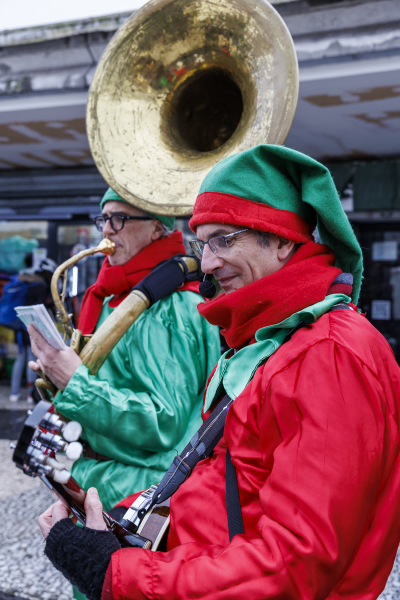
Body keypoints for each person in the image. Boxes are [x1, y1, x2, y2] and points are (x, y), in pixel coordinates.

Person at [37, 146, 400, 600]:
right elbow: (215, 478)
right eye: (203, 243)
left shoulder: (326, 353)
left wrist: (123, 575)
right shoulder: (268, 339)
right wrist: (117, 525)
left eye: (224, 239)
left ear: (283, 239)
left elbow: (297, 565)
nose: (207, 263)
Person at [28, 187, 221, 515]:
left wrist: (75, 384)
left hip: (143, 496)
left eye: (118, 219)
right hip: (102, 485)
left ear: (157, 228)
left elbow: (164, 423)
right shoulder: (109, 296)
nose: (105, 229)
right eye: (103, 218)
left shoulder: (172, 307)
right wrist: (58, 375)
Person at [9, 257, 57, 403]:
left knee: (20, 358)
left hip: (19, 326)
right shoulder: (40, 286)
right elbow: (40, 308)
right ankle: (31, 394)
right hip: (30, 327)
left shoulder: (25, 282)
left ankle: (14, 393)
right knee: (31, 358)